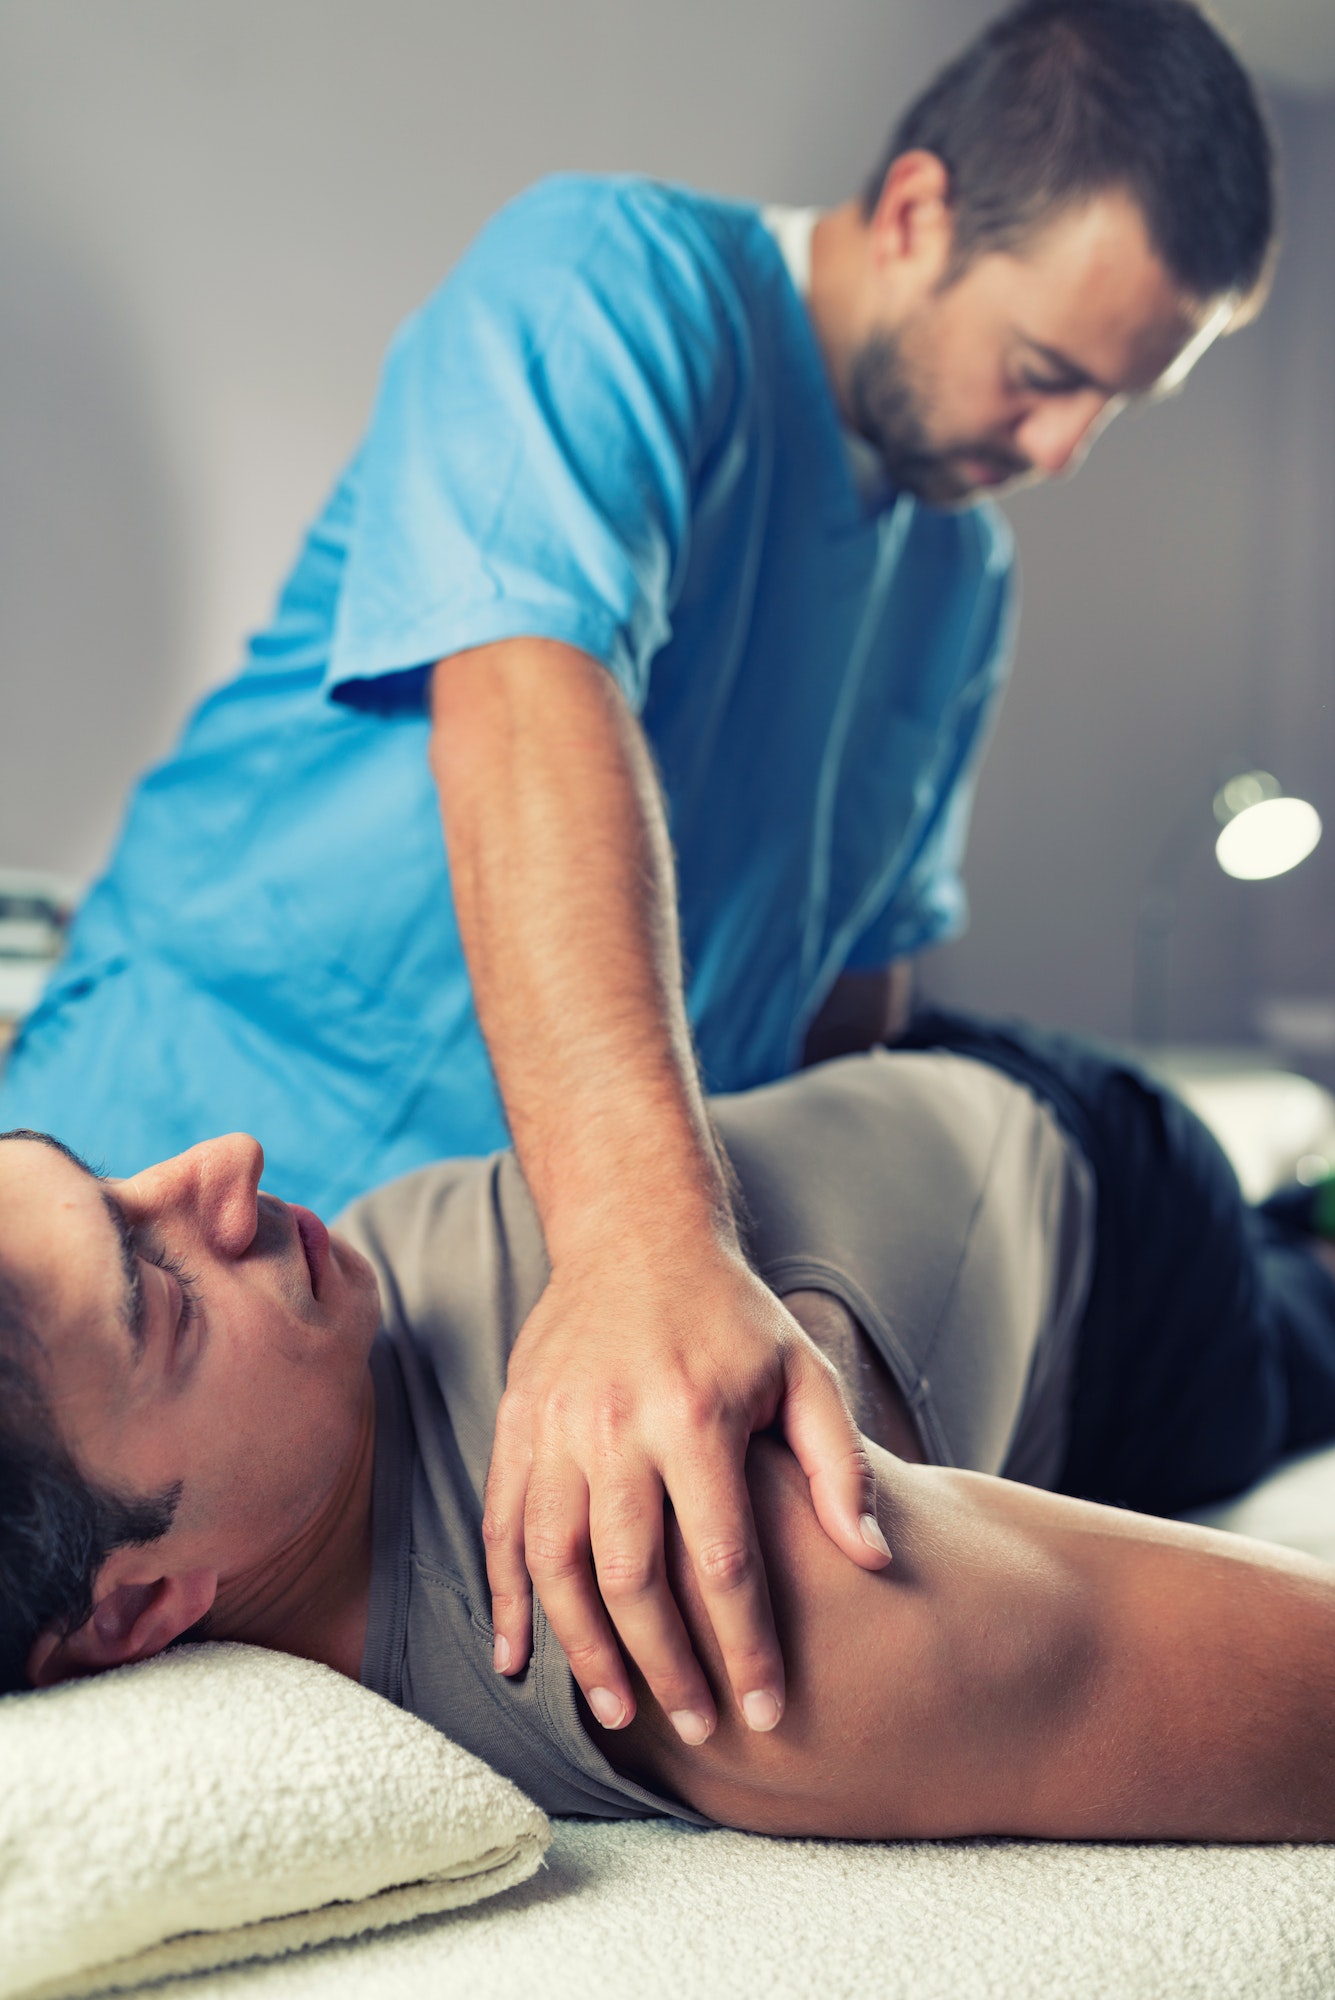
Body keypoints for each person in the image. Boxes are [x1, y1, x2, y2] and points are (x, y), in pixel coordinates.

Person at [0, 2, 1278, 1757]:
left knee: (1215, 1250)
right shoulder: (609, 283)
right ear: (913, 211)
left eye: (1115, 406)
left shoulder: (957, 586)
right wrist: (643, 1243)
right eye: (1050, 372)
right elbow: (530, 697)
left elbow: (856, 1007)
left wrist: (817, 1303)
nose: (1064, 449)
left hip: (684, 1244)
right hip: (304, 1311)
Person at [5, 1018, 1335, 1837]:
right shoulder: (702, 1605)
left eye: (112, 1184)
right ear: (137, 1611)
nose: (221, 1166)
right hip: (1135, 1267)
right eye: (160, 1297)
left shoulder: (301, 1408)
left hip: (916, 1080)